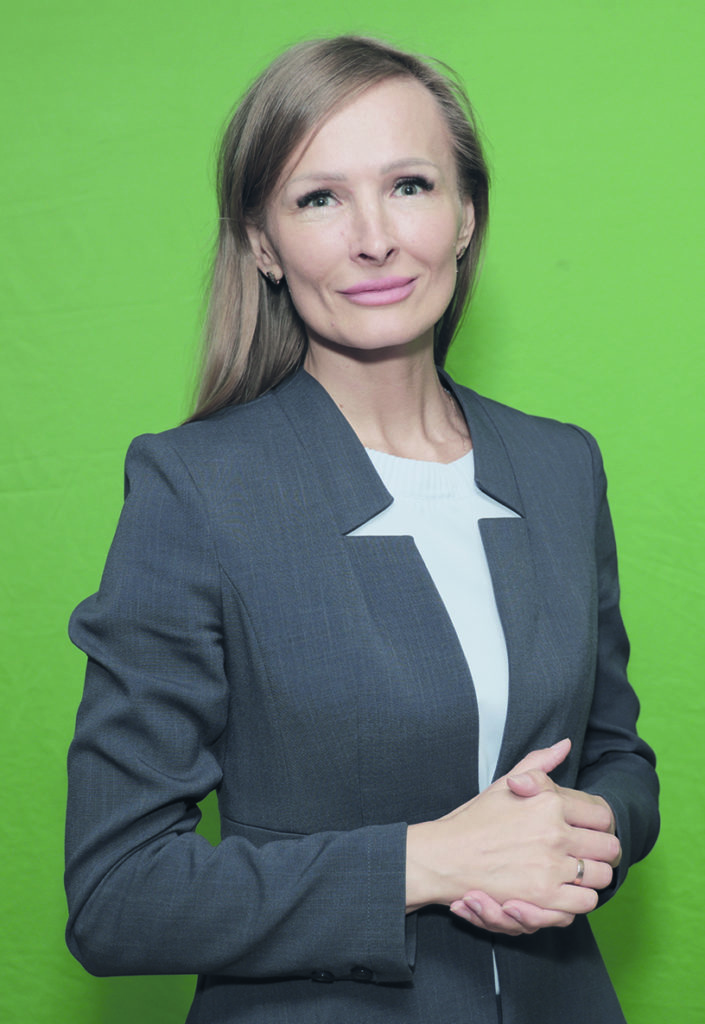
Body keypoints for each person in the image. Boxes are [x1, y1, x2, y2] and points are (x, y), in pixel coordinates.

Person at [65, 35, 659, 1024]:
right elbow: (118, 895)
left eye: (410, 185)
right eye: (319, 198)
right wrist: (429, 861)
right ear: (263, 244)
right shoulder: (195, 489)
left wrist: (593, 823)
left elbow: (616, 755)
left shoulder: (561, 466)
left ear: (466, 216)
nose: (374, 238)